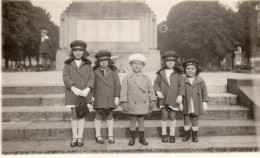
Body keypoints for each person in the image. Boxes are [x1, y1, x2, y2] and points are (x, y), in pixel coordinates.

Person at [120, 54, 157, 146]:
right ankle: (132, 138)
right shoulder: (127, 78)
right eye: (134, 63)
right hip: (132, 102)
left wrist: (153, 100)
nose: (137, 66)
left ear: (143, 66)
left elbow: (151, 90)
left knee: (141, 120)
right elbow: (123, 91)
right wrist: (124, 102)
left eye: (139, 64)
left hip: (143, 103)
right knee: (132, 120)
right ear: (131, 65)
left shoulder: (146, 77)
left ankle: (142, 137)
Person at [63, 40, 94, 147]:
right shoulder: (68, 64)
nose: (78, 52)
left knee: (82, 115)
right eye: (75, 50)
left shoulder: (88, 64)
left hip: (85, 93)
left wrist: (88, 89)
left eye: (80, 50)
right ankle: (74, 137)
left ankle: (80, 137)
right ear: (72, 51)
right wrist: (73, 87)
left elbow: (91, 77)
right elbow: (65, 77)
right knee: (74, 115)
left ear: (84, 51)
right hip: (73, 93)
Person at [153, 51, 184, 143]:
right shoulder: (160, 73)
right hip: (163, 97)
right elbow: (156, 83)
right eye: (168, 61)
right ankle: (164, 133)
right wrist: (157, 91)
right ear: (164, 62)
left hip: (174, 97)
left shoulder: (178, 74)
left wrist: (180, 95)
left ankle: (172, 134)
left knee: (172, 115)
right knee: (164, 115)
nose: (170, 63)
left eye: (172, 61)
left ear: (175, 62)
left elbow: (181, 85)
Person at [92, 50, 121, 144]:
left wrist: (117, 96)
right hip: (99, 97)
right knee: (98, 115)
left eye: (106, 61)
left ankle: (110, 135)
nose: (104, 63)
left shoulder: (113, 70)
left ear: (109, 61)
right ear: (98, 62)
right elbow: (91, 85)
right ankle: (98, 135)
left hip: (110, 97)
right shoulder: (94, 71)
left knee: (109, 115)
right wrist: (91, 97)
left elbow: (117, 84)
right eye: (101, 61)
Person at [181, 59, 208, 142]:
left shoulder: (200, 80)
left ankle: (195, 135)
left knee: (195, 118)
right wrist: (179, 103)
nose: (190, 71)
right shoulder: (182, 80)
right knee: (186, 118)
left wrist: (204, 102)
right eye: (188, 68)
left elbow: (204, 91)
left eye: (193, 69)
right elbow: (180, 91)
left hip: (196, 102)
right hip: (186, 102)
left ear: (196, 70)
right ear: (185, 70)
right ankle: (186, 134)